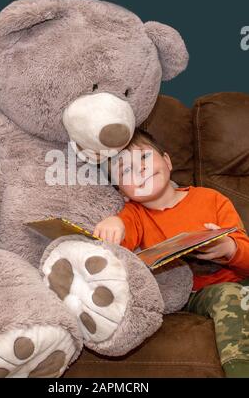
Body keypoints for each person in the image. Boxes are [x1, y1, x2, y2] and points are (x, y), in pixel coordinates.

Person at [94, 128, 249, 377]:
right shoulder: (134, 215)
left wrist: (228, 248)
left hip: (241, 278)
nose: (140, 169)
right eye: (125, 170)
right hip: (199, 293)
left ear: (167, 161)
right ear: (122, 192)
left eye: (144, 158)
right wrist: (114, 223)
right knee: (230, 297)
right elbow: (120, 249)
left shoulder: (211, 199)